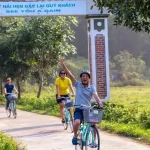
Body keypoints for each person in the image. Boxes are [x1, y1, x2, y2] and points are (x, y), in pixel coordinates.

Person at [59, 60, 103, 145]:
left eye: (86, 76)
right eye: (83, 76)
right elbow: (70, 74)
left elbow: (95, 96)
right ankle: (75, 136)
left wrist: (100, 103)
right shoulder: (77, 84)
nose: (84, 77)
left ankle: (93, 141)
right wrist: (63, 65)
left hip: (88, 109)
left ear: (89, 78)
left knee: (93, 124)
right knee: (77, 122)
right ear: (81, 78)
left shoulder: (92, 88)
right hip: (78, 108)